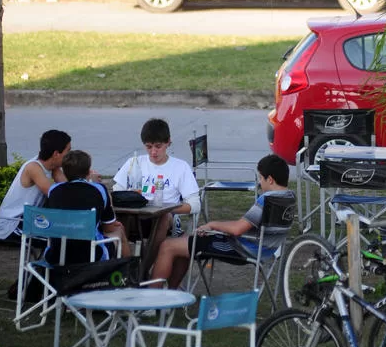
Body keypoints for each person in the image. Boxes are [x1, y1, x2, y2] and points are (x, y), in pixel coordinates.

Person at [151, 154, 293, 290]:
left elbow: (238, 229)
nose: (259, 182)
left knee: (168, 246)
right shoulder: (289, 197)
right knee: (186, 243)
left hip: (242, 249)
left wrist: (212, 225)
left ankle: (151, 299)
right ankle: (172, 292)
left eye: (261, 178)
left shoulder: (267, 200)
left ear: (270, 180)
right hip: (267, 250)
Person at [113, 118, 200, 273]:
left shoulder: (180, 167)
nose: (153, 152)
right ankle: (122, 269)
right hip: (135, 217)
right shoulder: (134, 162)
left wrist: (168, 208)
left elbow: (194, 204)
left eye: (158, 147)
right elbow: (117, 191)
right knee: (118, 220)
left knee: (163, 218)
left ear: (168, 143)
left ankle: (142, 271)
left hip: (165, 220)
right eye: (149, 147)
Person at [44, 150, 129, 264]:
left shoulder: (53, 190)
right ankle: (129, 273)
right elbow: (109, 228)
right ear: (88, 171)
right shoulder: (99, 189)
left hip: (56, 255)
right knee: (119, 230)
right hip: (92, 255)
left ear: (64, 172)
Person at [0, 129, 72, 239]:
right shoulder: (34, 168)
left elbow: (69, 190)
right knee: (59, 237)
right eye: (68, 152)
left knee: (66, 233)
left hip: (31, 220)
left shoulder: (53, 167)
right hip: (12, 225)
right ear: (56, 154)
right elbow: (56, 195)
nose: (70, 156)